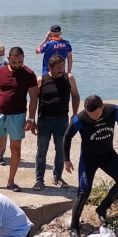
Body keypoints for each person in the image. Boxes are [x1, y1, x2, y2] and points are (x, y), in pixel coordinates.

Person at [63, 95, 118, 237]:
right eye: (90, 115)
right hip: (89, 159)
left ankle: (102, 208)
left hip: (108, 155)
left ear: (102, 107)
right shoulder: (80, 119)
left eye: (97, 114)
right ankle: (74, 227)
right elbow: (67, 137)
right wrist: (66, 159)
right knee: (84, 191)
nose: (94, 118)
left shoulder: (114, 110)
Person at [0, 47, 39, 192]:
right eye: (14, 62)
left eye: (20, 62)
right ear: (8, 58)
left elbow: (34, 98)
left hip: (17, 116)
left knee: (15, 150)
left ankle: (11, 181)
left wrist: (31, 118)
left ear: (23, 58)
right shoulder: (1, 72)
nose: (17, 65)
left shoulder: (29, 74)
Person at [33, 54, 81, 191]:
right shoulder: (41, 80)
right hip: (44, 120)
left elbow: (75, 96)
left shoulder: (69, 78)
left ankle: (57, 177)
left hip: (62, 119)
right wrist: (32, 120)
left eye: (63, 66)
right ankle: (39, 180)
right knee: (41, 151)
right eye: (58, 67)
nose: (61, 69)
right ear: (50, 67)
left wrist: (75, 114)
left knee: (61, 150)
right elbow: (33, 100)